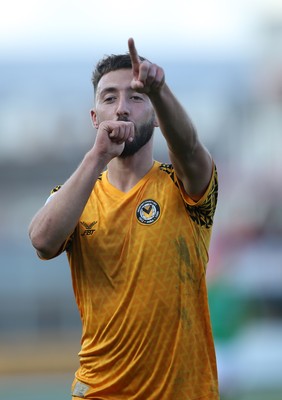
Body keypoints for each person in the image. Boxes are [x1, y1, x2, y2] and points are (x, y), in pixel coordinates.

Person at [29, 38, 219, 399]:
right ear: (94, 117)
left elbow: (191, 149)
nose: (122, 109)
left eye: (135, 97)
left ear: (157, 115)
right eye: (109, 98)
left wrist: (159, 90)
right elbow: (42, 241)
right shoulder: (78, 194)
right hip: (100, 391)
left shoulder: (184, 187)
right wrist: (96, 157)